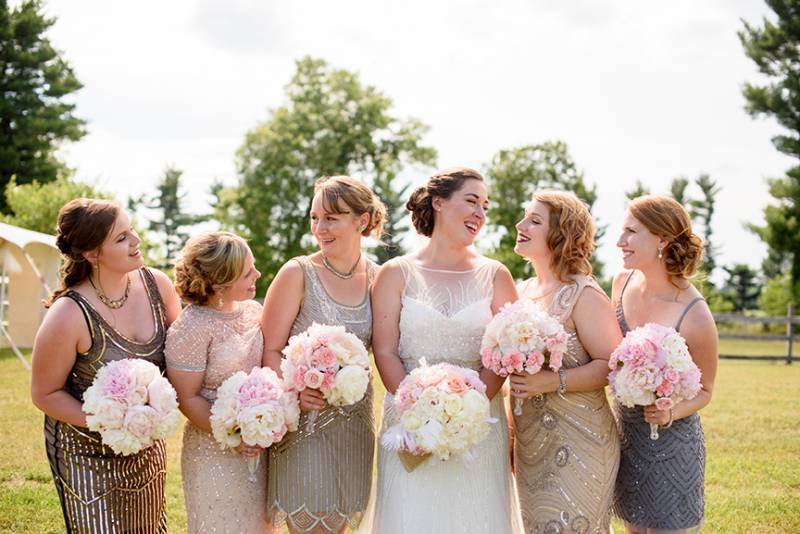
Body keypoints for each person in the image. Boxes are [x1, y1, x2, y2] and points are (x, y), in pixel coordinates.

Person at [368, 167, 520, 533]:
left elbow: (505, 352)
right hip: (409, 423)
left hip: (481, 425)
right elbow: (385, 351)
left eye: (485, 206)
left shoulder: (496, 275)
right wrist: (417, 407)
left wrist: (469, 409)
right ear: (438, 202)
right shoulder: (395, 273)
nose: (480, 214)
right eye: (471, 201)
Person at [31, 198, 181, 533]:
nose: (136, 240)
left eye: (132, 230)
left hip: (146, 445)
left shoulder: (159, 286)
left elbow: (181, 362)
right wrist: (114, 425)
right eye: (122, 237)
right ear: (91, 254)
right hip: (85, 452)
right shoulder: (68, 315)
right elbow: (45, 393)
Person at [262, 176, 386, 533]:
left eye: (331, 218)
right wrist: (295, 392)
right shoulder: (297, 273)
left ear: (362, 221)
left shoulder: (378, 278)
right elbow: (269, 348)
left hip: (355, 424)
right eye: (314, 218)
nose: (319, 228)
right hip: (305, 423)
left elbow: (386, 350)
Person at [509, 190, 621, 533]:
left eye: (535, 221)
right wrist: (512, 436)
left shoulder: (584, 294)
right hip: (529, 443)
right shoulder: (523, 291)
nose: (520, 224)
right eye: (525, 217)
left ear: (561, 235)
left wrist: (552, 382)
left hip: (580, 441)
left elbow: (611, 365)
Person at [612, 195, 718, 533]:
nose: (619, 242)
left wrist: (671, 411)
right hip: (626, 436)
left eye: (630, 231)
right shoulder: (620, 283)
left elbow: (705, 390)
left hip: (672, 444)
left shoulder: (695, 313)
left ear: (662, 240)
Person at [165, 231, 269, 533]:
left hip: (260, 445)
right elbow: (187, 398)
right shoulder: (192, 327)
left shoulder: (254, 311)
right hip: (213, 448)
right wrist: (235, 435)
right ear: (221, 282)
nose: (258, 274)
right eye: (247, 271)